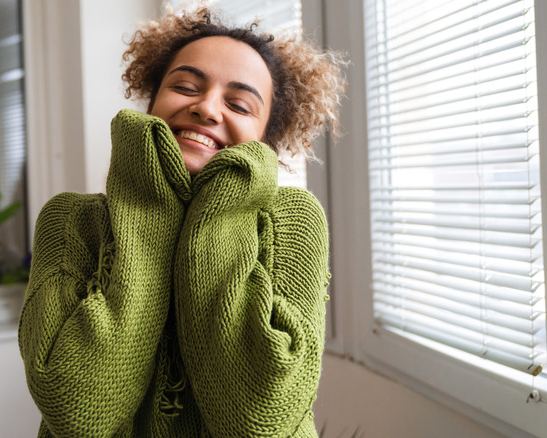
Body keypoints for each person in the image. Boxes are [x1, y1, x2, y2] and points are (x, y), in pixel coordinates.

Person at [18, 6, 346, 437]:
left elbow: (260, 418)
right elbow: (76, 410)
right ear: (152, 102)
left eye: (239, 104)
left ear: (265, 138)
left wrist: (222, 208)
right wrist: (150, 205)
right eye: (186, 86)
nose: (207, 109)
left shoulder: (295, 219)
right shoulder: (69, 220)